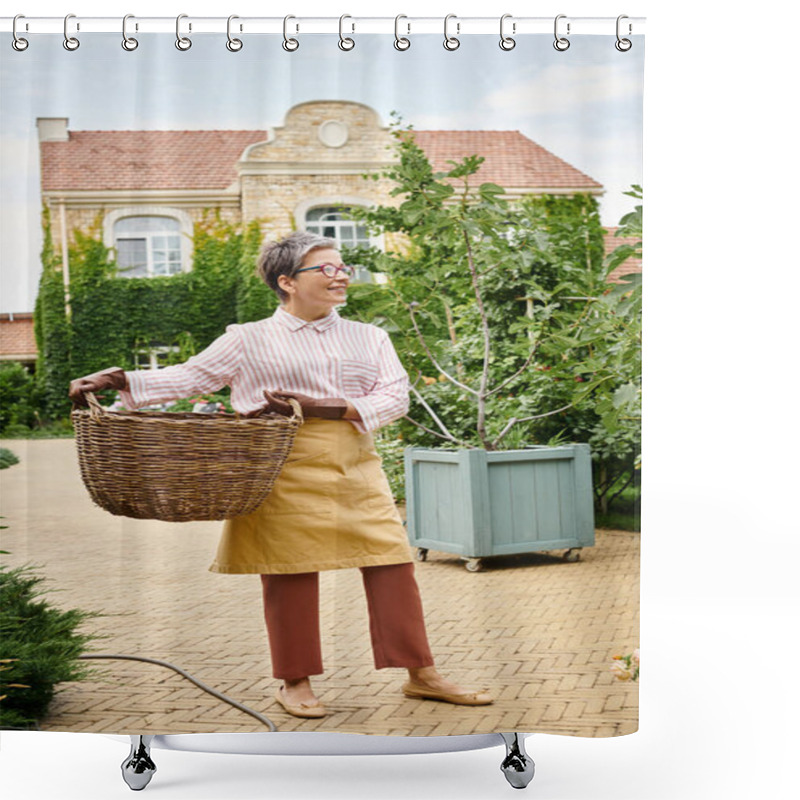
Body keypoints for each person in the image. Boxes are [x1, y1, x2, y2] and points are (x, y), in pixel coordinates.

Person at [69, 231, 493, 719]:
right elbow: (190, 376)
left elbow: (395, 397)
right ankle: (294, 681)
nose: (340, 277)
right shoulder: (247, 339)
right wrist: (121, 379)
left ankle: (422, 675)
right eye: (326, 269)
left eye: (342, 267)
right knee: (288, 572)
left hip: (353, 463)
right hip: (276, 466)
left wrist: (330, 408)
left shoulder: (369, 336)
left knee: (391, 564)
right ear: (287, 281)